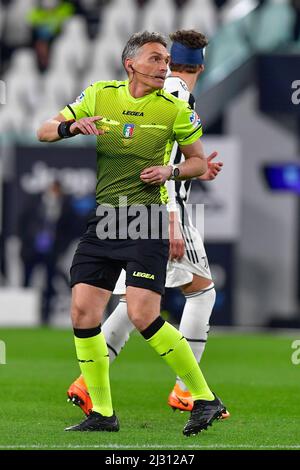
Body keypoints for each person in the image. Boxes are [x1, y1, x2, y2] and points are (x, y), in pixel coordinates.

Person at [37, 31, 226, 436]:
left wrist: (171, 171)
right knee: (83, 311)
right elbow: (45, 130)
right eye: (157, 60)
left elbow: (194, 162)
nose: (165, 67)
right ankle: (102, 412)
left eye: (169, 61)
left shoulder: (175, 109)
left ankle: (202, 397)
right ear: (132, 64)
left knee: (143, 312)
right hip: (106, 218)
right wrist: (72, 126)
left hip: (149, 219)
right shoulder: (101, 94)